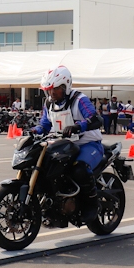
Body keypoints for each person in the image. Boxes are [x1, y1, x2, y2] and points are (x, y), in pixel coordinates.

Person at [33, 65, 104, 223]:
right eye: (49, 90)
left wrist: (78, 126)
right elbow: (44, 124)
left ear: (65, 86)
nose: (52, 93)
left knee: (79, 169)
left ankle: (91, 205)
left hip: (88, 144)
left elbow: (95, 119)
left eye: (56, 89)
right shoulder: (49, 103)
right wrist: (34, 130)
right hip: (65, 145)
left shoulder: (79, 100)